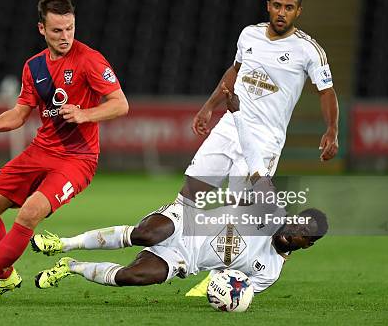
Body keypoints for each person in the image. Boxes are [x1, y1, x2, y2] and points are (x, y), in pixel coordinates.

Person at [32, 93, 328, 293]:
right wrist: (237, 115)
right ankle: (64, 243)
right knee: (146, 234)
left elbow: (238, 290)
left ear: (308, 245)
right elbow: (252, 157)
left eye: (304, 234)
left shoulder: (270, 272)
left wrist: (223, 297)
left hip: (186, 259)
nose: (294, 230)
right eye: (298, 223)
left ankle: (71, 267)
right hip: (186, 219)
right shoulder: (270, 208)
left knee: (131, 276)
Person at [0, 0, 129, 306]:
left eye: (70, 29)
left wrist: (85, 114)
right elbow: (20, 113)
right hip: (40, 151)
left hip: (78, 159)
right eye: (58, 30)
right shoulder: (34, 67)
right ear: (42, 29)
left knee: (29, 212)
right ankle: (6, 277)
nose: (65, 37)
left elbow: (120, 104)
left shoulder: (89, 59)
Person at [180, 0, 339, 296]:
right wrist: (209, 107)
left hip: (265, 139)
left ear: (298, 11)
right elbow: (234, 72)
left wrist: (332, 129)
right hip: (229, 125)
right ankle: (174, 249)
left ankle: (224, 277)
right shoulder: (248, 34)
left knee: (242, 211)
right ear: (269, 6)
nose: (282, 13)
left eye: (289, 7)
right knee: (192, 192)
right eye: (277, 6)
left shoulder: (309, 50)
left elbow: (327, 91)